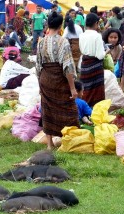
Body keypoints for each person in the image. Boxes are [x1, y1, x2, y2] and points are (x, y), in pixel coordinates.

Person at [36, 12, 79, 149]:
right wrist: (72, 88)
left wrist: (39, 85)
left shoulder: (41, 41)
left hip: (45, 78)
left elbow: (38, 65)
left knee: (47, 109)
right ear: (61, 25)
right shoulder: (63, 41)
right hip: (59, 79)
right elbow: (68, 67)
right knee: (69, 109)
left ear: (48, 24)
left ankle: (50, 144)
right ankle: (67, 140)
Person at [79, 13, 107, 107]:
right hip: (95, 65)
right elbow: (100, 55)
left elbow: (81, 50)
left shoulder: (82, 35)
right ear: (96, 23)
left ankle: (84, 108)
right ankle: (95, 110)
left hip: (85, 65)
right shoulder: (97, 36)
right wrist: (107, 52)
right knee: (96, 90)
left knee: (86, 88)